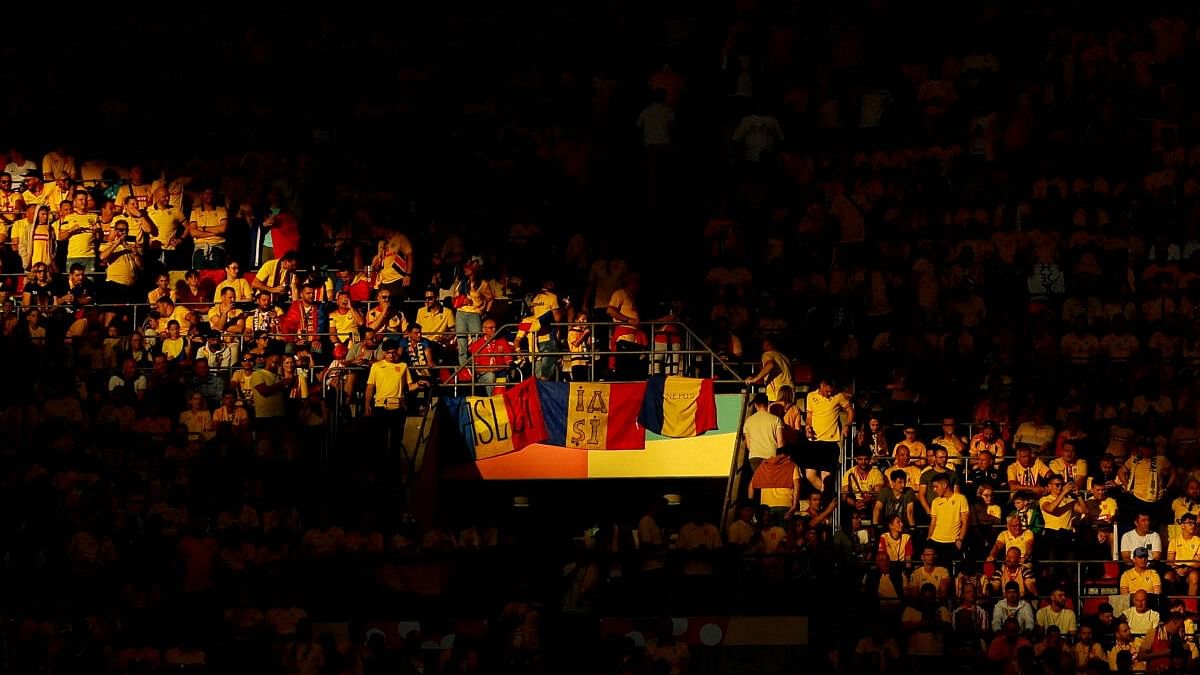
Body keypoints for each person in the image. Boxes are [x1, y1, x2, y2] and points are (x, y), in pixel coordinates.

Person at [805, 379, 853, 491]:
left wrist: (847, 425)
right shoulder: (811, 396)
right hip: (814, 441)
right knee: (809, 475)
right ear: (822, 386)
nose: (829, 393)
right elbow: (809, 416)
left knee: (826, 479)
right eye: (827, 391)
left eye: (831, 391)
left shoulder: (839, 396)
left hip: (830, 443)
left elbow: (850, 411)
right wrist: (808, 427)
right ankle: (827, 497)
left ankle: (827, 500)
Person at [927, 474, 969, 564]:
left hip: (953, 542)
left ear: (945, 485)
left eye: (936, 487)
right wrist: (929, 538)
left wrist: (960, 539)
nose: (934, 490)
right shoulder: (935, 501)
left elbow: (965, 522)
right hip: (936, 541)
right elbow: (933, 522)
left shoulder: (961, 499)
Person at [742, 393, 783, 478]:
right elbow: (780, 443)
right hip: (771, 456)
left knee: (760, 482)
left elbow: (749, 446)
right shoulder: (776, 419)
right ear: (767, 403)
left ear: (755, 405)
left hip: (754, 457)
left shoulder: (748, 421)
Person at [745, 335, 793, 402]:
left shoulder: (767, 354)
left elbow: (770, 365)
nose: (763, 348)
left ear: (769, 345)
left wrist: (755, 379)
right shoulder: (785, 358)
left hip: (777, 395)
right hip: (790, 394)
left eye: (764, 345)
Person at [1167, 512, 1200, 595]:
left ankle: (1191, 603)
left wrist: (1187, 568)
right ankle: (1174, 603)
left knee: (1194, 577)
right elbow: (1170, 560)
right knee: (1168, 577)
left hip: (1192, 571)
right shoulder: (1174, 541)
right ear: (1182, 525)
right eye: (1190, 523)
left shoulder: (1198, 541)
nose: (1193, 525)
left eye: (1194, 523)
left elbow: (1197, 564)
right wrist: (1177, 569)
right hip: (1176, 570)